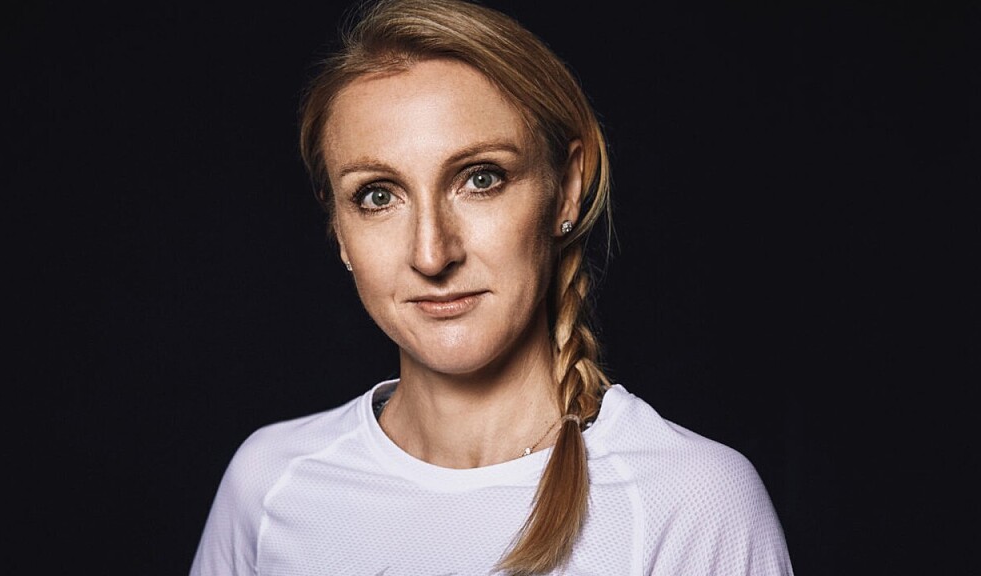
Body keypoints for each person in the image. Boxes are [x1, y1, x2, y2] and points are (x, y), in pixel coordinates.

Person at [189, 0, 794, 574]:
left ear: (566, 189)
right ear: (339, 230)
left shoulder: (691, 501)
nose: (432, 254)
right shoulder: (270, 483)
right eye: (378, 195)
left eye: (481, 179)